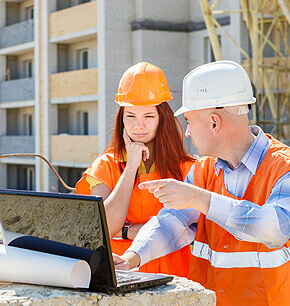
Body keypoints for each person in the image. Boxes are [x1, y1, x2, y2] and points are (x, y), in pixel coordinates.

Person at [113, 61, 290, 305]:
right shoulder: (204, 169)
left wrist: (199, 199)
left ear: (214, 123)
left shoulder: (284, 167)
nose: (187, 132)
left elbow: (276, 229)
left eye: (189, 121)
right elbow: (171, 222)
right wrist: (132, 258)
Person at [76, 62, 196, 277]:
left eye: (148, 116)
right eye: (130, 116)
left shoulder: (187, 169)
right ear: (121, 119)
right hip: (120, 274)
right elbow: (105, 228)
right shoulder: (104, 166)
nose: (138, 126)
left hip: (175, 277)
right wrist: (130, 167)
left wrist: (127, 231)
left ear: (163, 119)